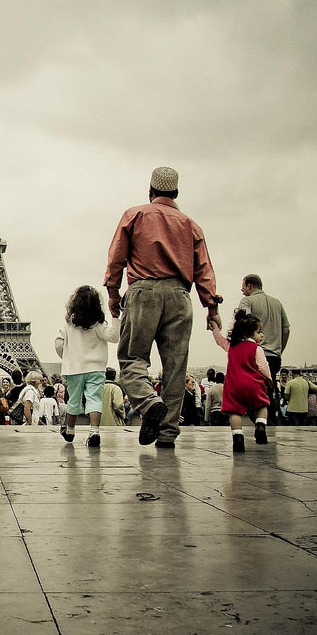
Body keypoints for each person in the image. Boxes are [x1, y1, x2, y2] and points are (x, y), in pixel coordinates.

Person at [104, 166, 222, 450]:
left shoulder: (135, 215)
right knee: (175, 367)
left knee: (132, 360)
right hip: (181, 295)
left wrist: (112, 292)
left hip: (143, 291)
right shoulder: (191, 225)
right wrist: (211, 307)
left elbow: (116, 257)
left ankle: (148, 401)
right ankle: (168, 432)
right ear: (176, 193)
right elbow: (204, 269)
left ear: (150, 191)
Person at [55, 285, 120, 448]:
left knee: (74, 401)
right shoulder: (99, 325)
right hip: (96, 368)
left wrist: (67, 357)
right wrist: (116, 317)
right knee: (94, 399)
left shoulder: (69, 325)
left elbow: (58, 344)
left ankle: (70, 430)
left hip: (74, 368)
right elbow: (114, 337)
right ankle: (94, 432)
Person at [210, 310, 271, 452]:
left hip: (234, 385)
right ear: (249, 334)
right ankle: (260, 425)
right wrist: (268, 379)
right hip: (253, 384)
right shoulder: (256, 348)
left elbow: (219, 339)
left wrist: (214, 327)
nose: (261, 335)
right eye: (259, 331)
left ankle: (237, 437)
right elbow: (263, 367)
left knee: (235, 412)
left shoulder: (231, 346)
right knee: (261, 405)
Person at [236, 275, 290, 424]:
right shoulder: (277, 303)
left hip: (254, 353)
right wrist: (279, 350)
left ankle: (261, 422)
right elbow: (286, 329)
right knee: (268, 391)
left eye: (243, 288)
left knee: (249, 392)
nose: (243, 291)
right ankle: (269, 421)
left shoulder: (248, 301)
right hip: (274, 356)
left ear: (250, 286)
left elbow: (243, 322)